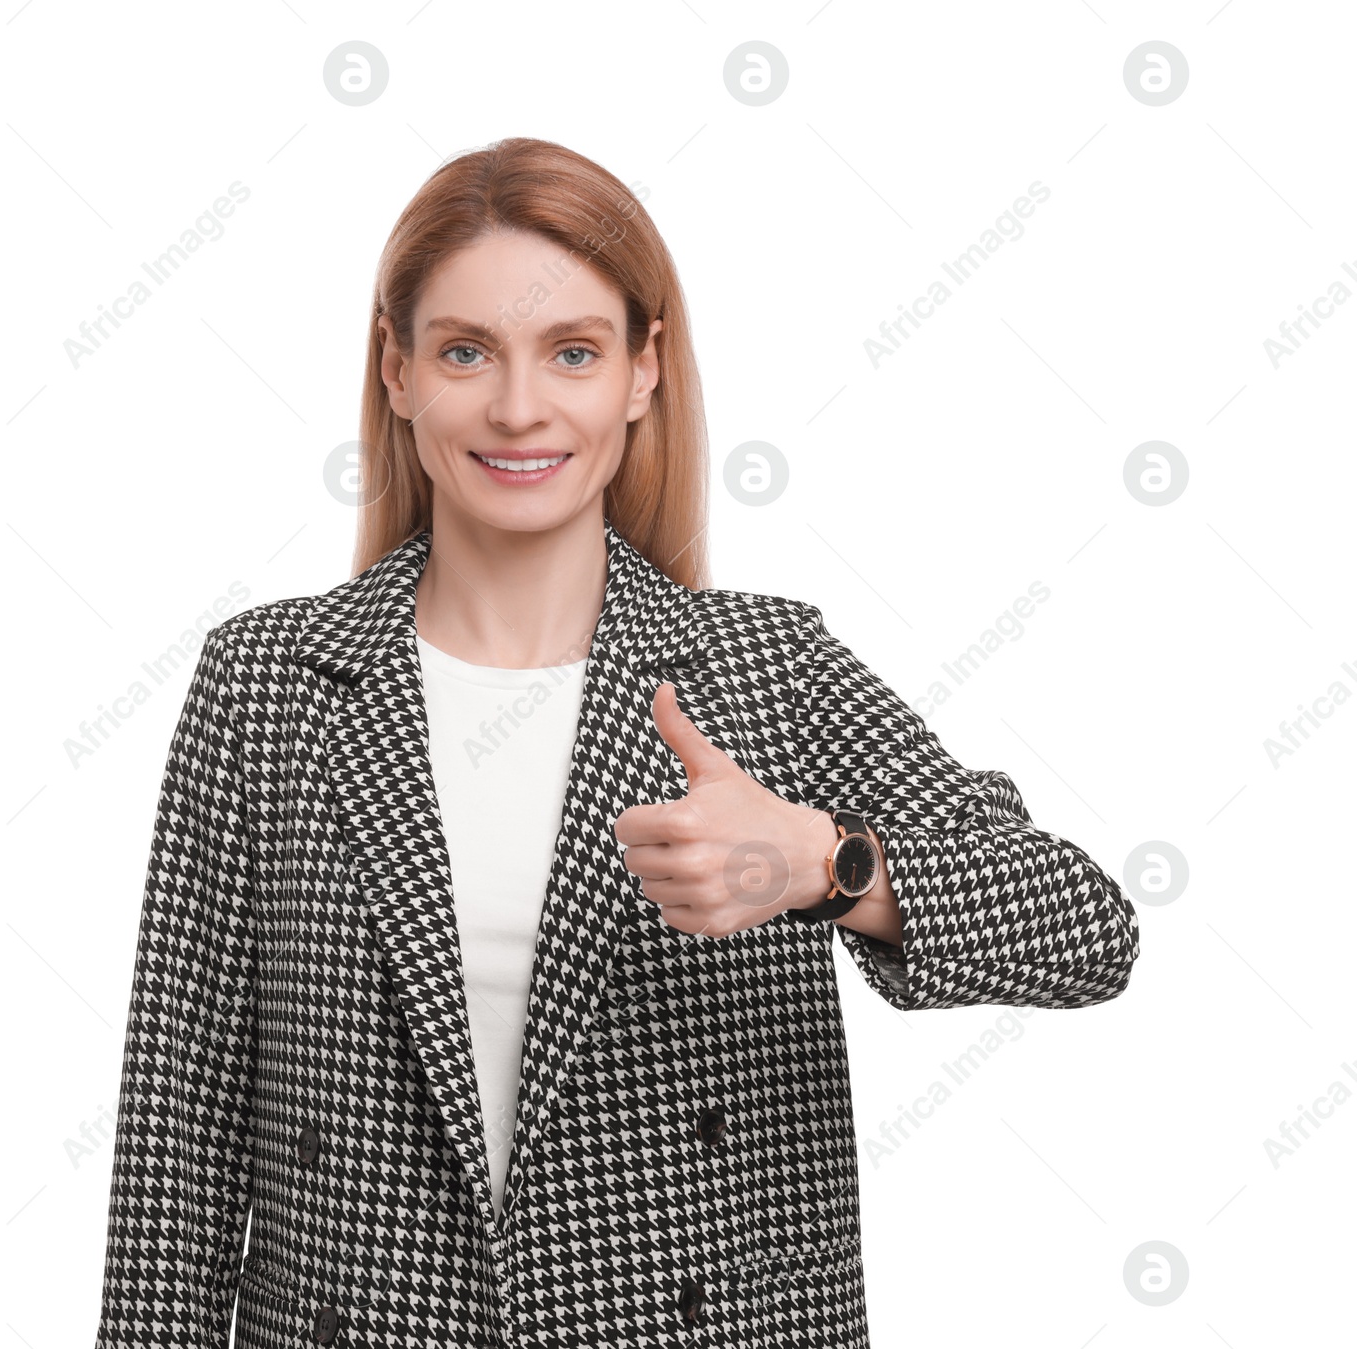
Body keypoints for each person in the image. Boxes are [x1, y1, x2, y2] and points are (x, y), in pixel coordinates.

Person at [93, 136, 1139, 1349]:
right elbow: (177, 1141)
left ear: (644, 371)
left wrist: (827, 865)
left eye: (573, 353)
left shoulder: (765, 667)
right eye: (466, 351)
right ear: (397, 372)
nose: (519, 405)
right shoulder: (269, 682)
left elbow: (1090, 928)